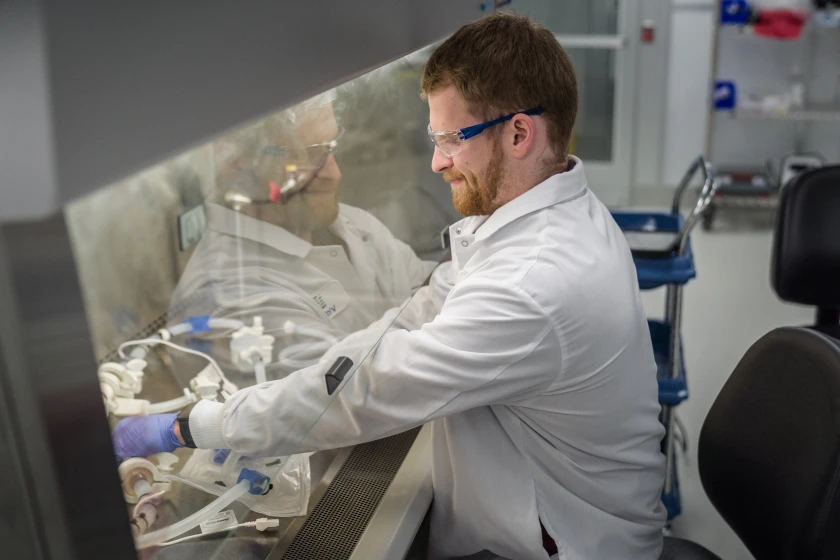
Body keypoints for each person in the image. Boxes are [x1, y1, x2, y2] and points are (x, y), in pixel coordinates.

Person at [114, 13, 667, 560]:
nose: (438, 162)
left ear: (519, 134)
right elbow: (417, 312)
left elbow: (367, 392)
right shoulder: (552, 213)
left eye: (451, 139)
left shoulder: (531, 283)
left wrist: (191, 426)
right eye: (434, 139)